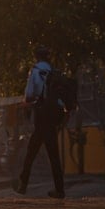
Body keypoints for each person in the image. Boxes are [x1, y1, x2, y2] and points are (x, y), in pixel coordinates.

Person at [14, 45, 66, 199]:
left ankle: (23, 184)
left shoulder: (36, 71)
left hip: (41, 114)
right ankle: (59, 189)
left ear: (36, 57)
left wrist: (26, 104)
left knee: (31, 151)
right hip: (53, 116)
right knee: (53, 154)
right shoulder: (54, 71)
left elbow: (30, 94)